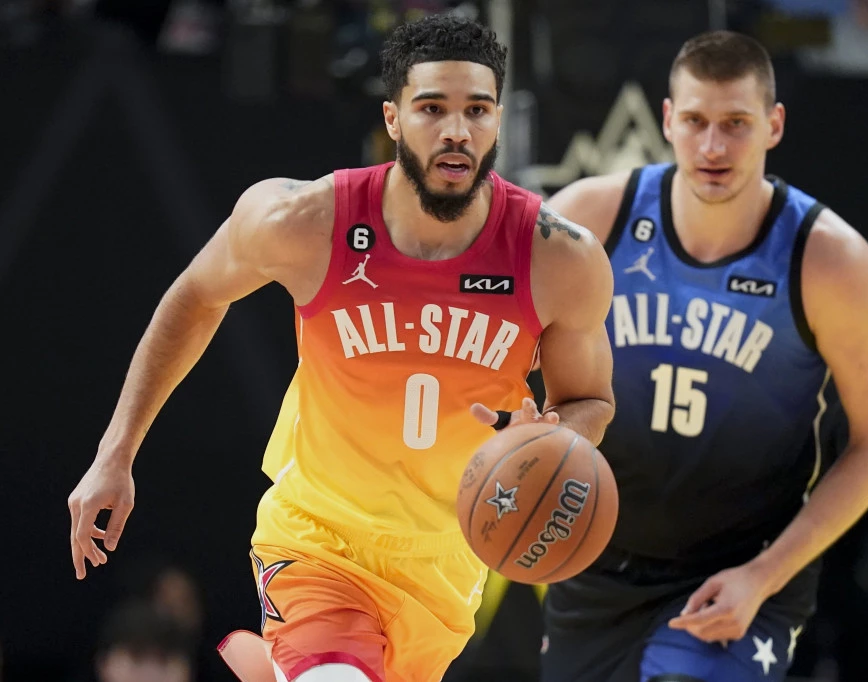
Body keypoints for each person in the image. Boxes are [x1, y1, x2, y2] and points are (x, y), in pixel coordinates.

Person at [67, 13, 615, 682]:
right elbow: (196, 297)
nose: (456, 130)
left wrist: (554, 436)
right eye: (431, 108)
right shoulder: (306, 220)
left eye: (476, 109)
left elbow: (590, 400)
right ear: (392, 118)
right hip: (317, 538)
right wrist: (116, 451)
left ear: (498, 119)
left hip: (445, 564)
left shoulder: (558, 258)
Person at [540, 30, 868, 682]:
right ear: (666, 120)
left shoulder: (830, 262)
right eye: (695, 121)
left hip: (739, 568)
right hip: (594, 557)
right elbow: (502, 362)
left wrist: (765, 574)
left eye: (735, 124)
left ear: (773, 124)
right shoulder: (586, 220)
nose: (712, 147)